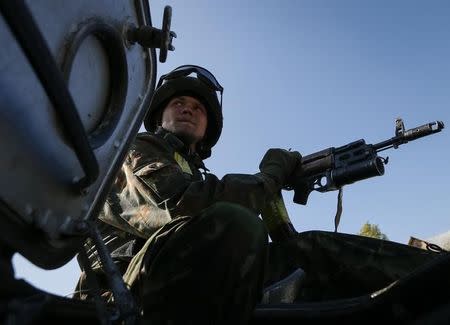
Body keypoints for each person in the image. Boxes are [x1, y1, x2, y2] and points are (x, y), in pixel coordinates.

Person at [75, 65, 302, 324]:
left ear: (207, 128)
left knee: (310, 254)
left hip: (184, 282)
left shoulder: (191, 172)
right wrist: (271, 177)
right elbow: (178, 207)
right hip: (118, 296)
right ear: (160, 116)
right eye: (179, 103)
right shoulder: (134, 149)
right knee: (234, 224)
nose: (188, 109)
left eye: (199, 108)